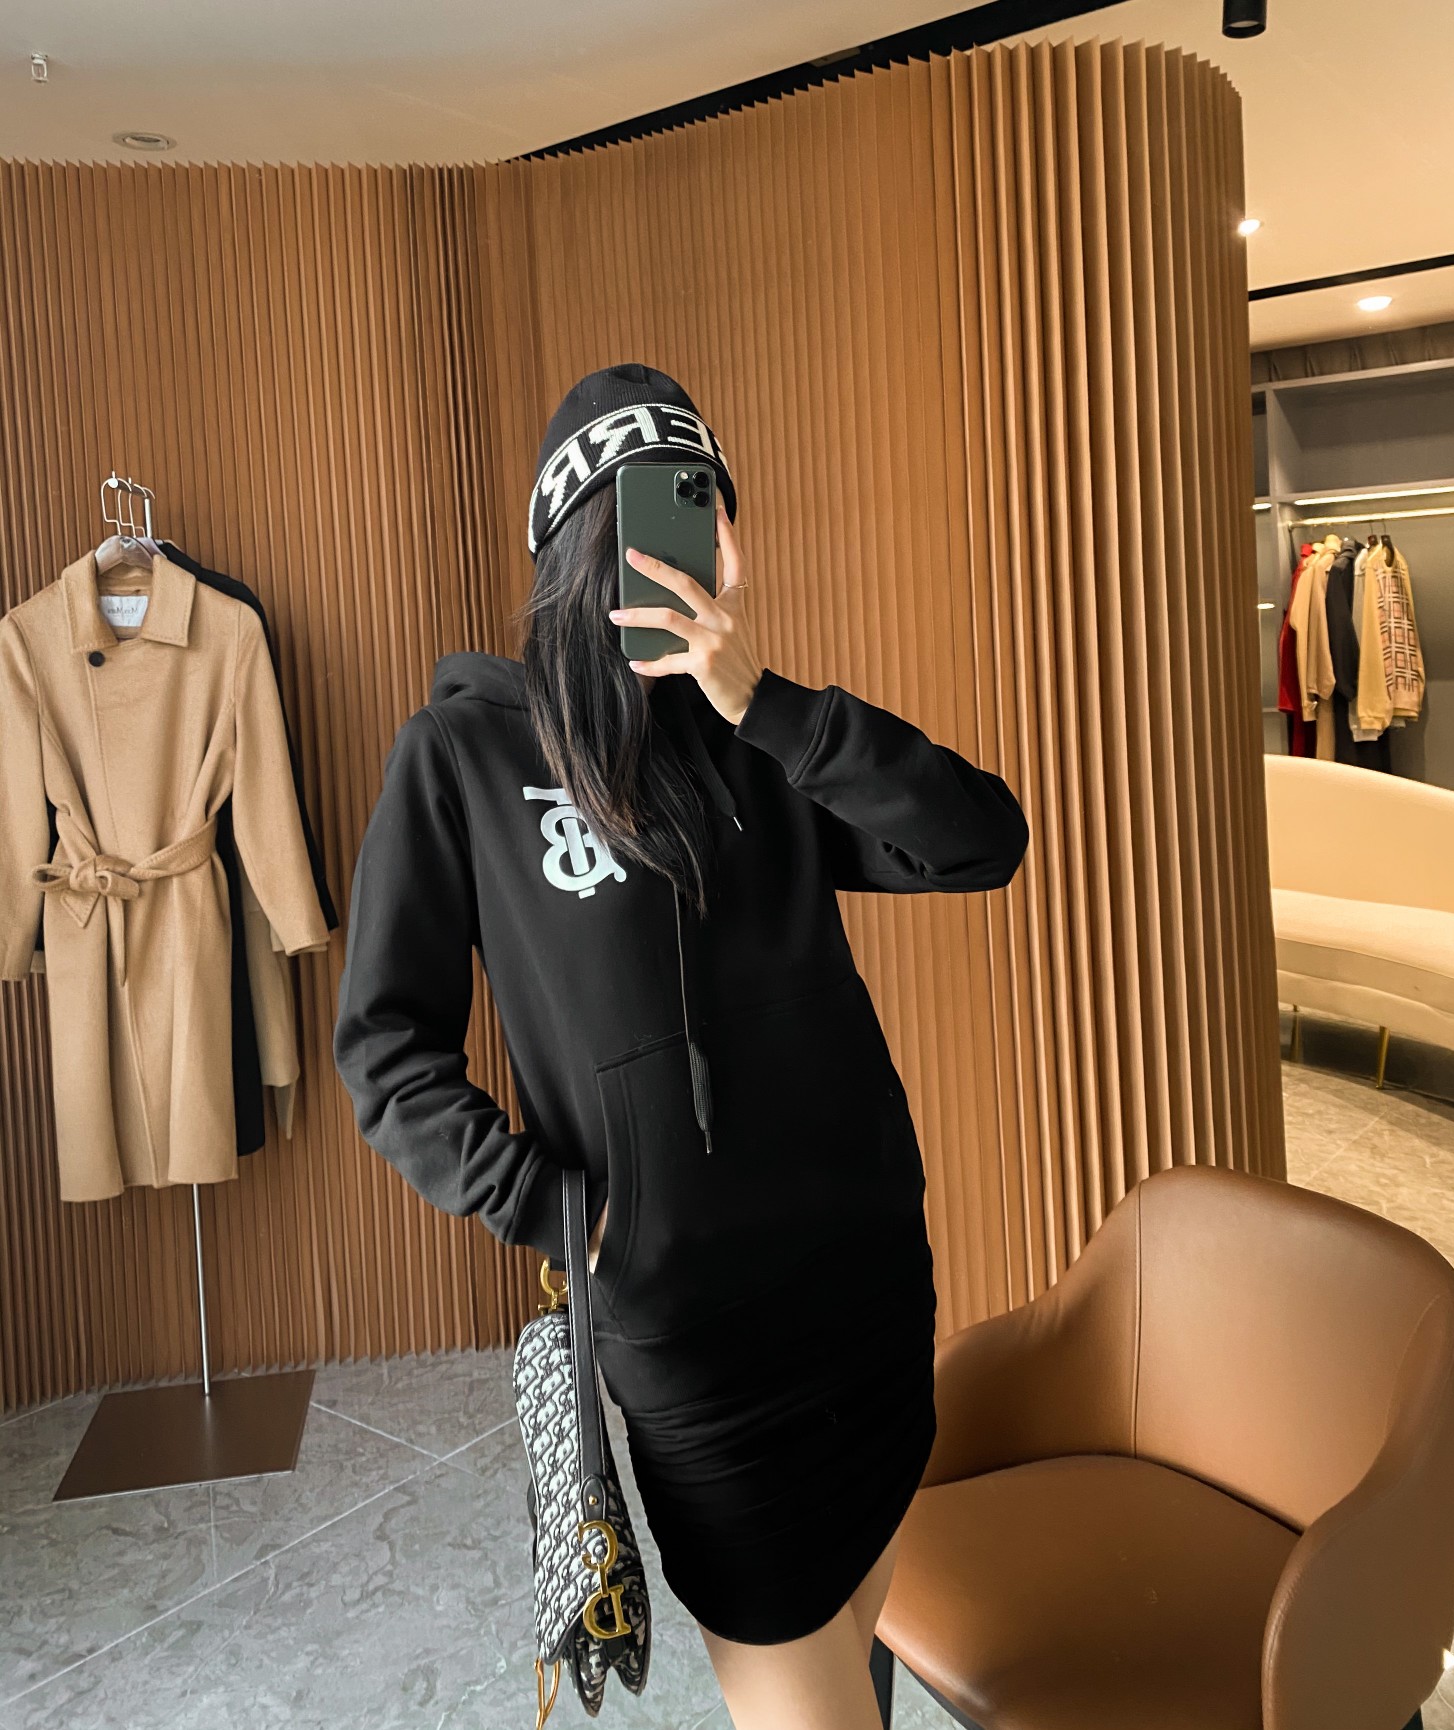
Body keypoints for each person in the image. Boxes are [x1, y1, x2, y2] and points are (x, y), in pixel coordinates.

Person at [332, 363, 1030, 1729]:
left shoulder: (757, 737)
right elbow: (387, 1050)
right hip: (700, 1349)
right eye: (670, 509)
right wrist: (557, 1209)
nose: (707, 544)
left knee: (857, 1650)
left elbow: (979, 840)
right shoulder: (463, 755)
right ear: (582, 542)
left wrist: (764, 704)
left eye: (714, 506)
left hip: (871, 1294)